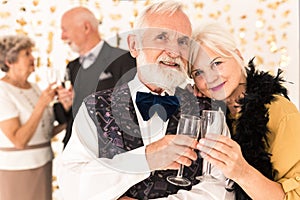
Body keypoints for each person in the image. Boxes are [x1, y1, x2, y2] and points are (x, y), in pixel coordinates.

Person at [57, 1, 234, 200]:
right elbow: (71, 183)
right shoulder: (94, 108)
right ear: (134, 45)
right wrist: (144, 159)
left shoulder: (208, 113)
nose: (174, 52)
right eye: (161, 37)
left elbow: (220, 188)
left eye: (183, 42)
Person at [190, 23, 300, 199]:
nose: (210, 78)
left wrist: (242, 172)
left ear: (238, 56)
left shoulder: (281, 113)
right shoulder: (212, 116)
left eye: (216, 63)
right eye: (198, 73)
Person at [54, 6, 136, 148]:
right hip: (75, 150)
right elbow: (65, 118)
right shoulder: (72, 67)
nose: (62, 37)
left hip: (109, 152)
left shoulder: (124, 60)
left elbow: (135, 111)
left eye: (65, 30)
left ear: (86, 28)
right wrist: (66, 106)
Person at [0, 35, 66, 200]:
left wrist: (70, 115)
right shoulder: (2, 91)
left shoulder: (35, 87)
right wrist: (42, 103)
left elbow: (43, 133)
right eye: (26, 54)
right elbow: (19, 141)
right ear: (9, 61)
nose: (33, 58)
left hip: (43, 164)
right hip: (18, 169)